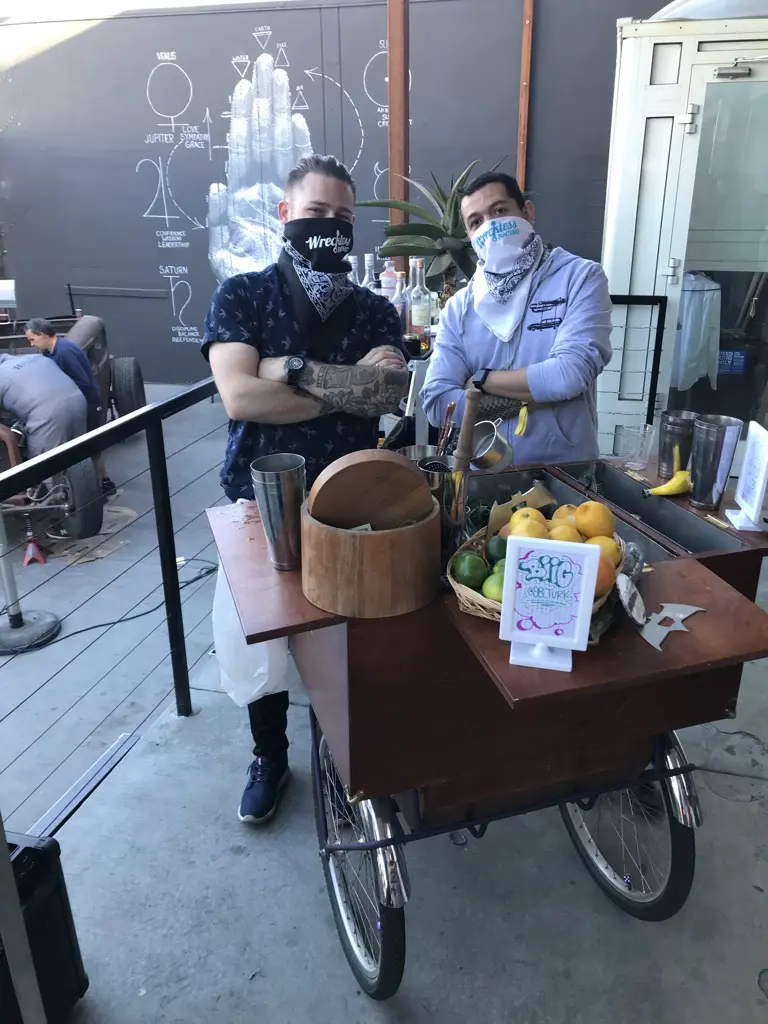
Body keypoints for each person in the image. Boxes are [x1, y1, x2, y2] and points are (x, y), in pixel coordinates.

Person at [202, 154, 408, 825]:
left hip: (352, 502)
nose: (330, 228)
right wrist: (342, 391)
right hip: (259, 504)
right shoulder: (243, 296)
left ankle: (340, 759)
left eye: (343, 219)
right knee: (258, 644)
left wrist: (286, 369)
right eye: (317, 214)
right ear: (286, 215)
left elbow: (386, 391)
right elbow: (239, 396)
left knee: (343, 647)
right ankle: (269, 758)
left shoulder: (376, 309)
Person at [421, 172, 612, 463]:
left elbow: (569, 375)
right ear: (470, 237)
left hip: (564, 476)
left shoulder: (580, 278)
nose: (491, 226)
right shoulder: (460, 307)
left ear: (527, 212)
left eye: (499, 211)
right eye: (476, 222)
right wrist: (533, 393)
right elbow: (437, 403)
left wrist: (482, 380)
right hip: (484, 477)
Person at [25, 318, 116, 497]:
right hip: (80, 403)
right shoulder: (51, 352)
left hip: (86, 405)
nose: (31, 344)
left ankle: (101, 487)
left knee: (91, 447)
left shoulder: (65, 352)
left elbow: (82, 382)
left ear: (42, 335)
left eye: (32, 340)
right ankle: (102, 483)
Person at [0, 352, 86, 460]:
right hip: (77, 399)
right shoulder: (36, 357)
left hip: (49, 414)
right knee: (79, 455)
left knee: (45, 465)